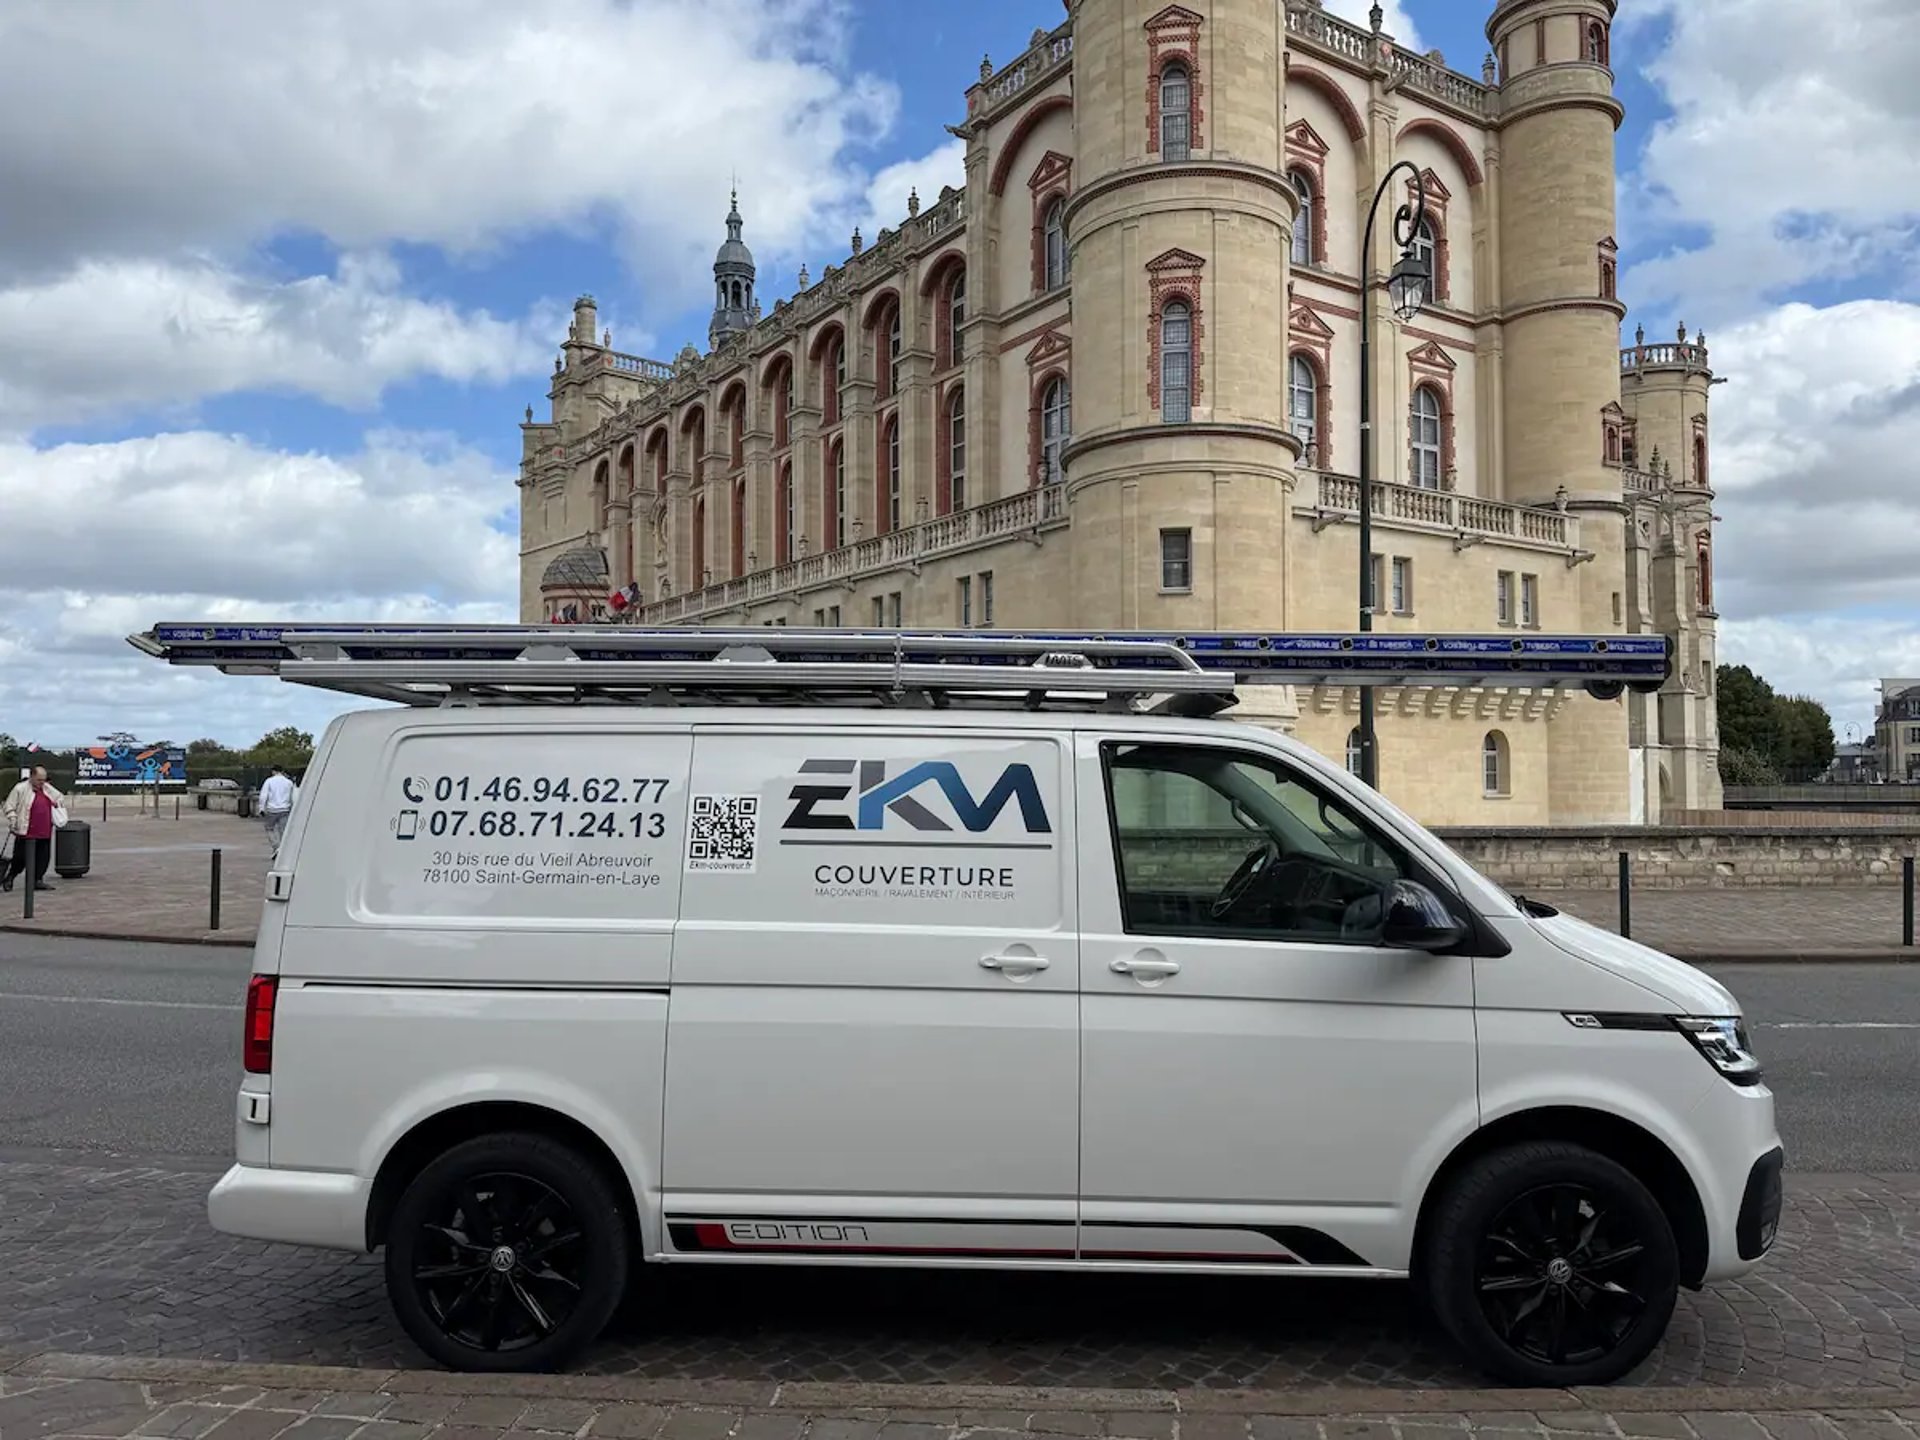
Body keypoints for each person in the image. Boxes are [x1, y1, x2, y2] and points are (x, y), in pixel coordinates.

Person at [3, 766, 66, 893]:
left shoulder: (47, 789)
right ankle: (10, 877)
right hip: (26, 830)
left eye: (44, 780)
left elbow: (59, 798)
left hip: (44, 830)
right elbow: (9, 806)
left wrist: (57, 805)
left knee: (43, 858)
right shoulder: (20, 788)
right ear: (31, 777)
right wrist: (13, 819)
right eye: (39, 780)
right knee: (20, 858)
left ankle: (37, 880)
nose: (42, 783)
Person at [259, 765, 298, 857]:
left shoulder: (269, 781)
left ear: (273, 771)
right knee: (283, 831)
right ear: (282, 771)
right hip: (285, 809)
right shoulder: (289, 782)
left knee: (269, 828)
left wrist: (261, 808)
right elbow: (293, 796)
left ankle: (276, 846)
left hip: (272, 809)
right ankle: (282, 849)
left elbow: (264, 795)